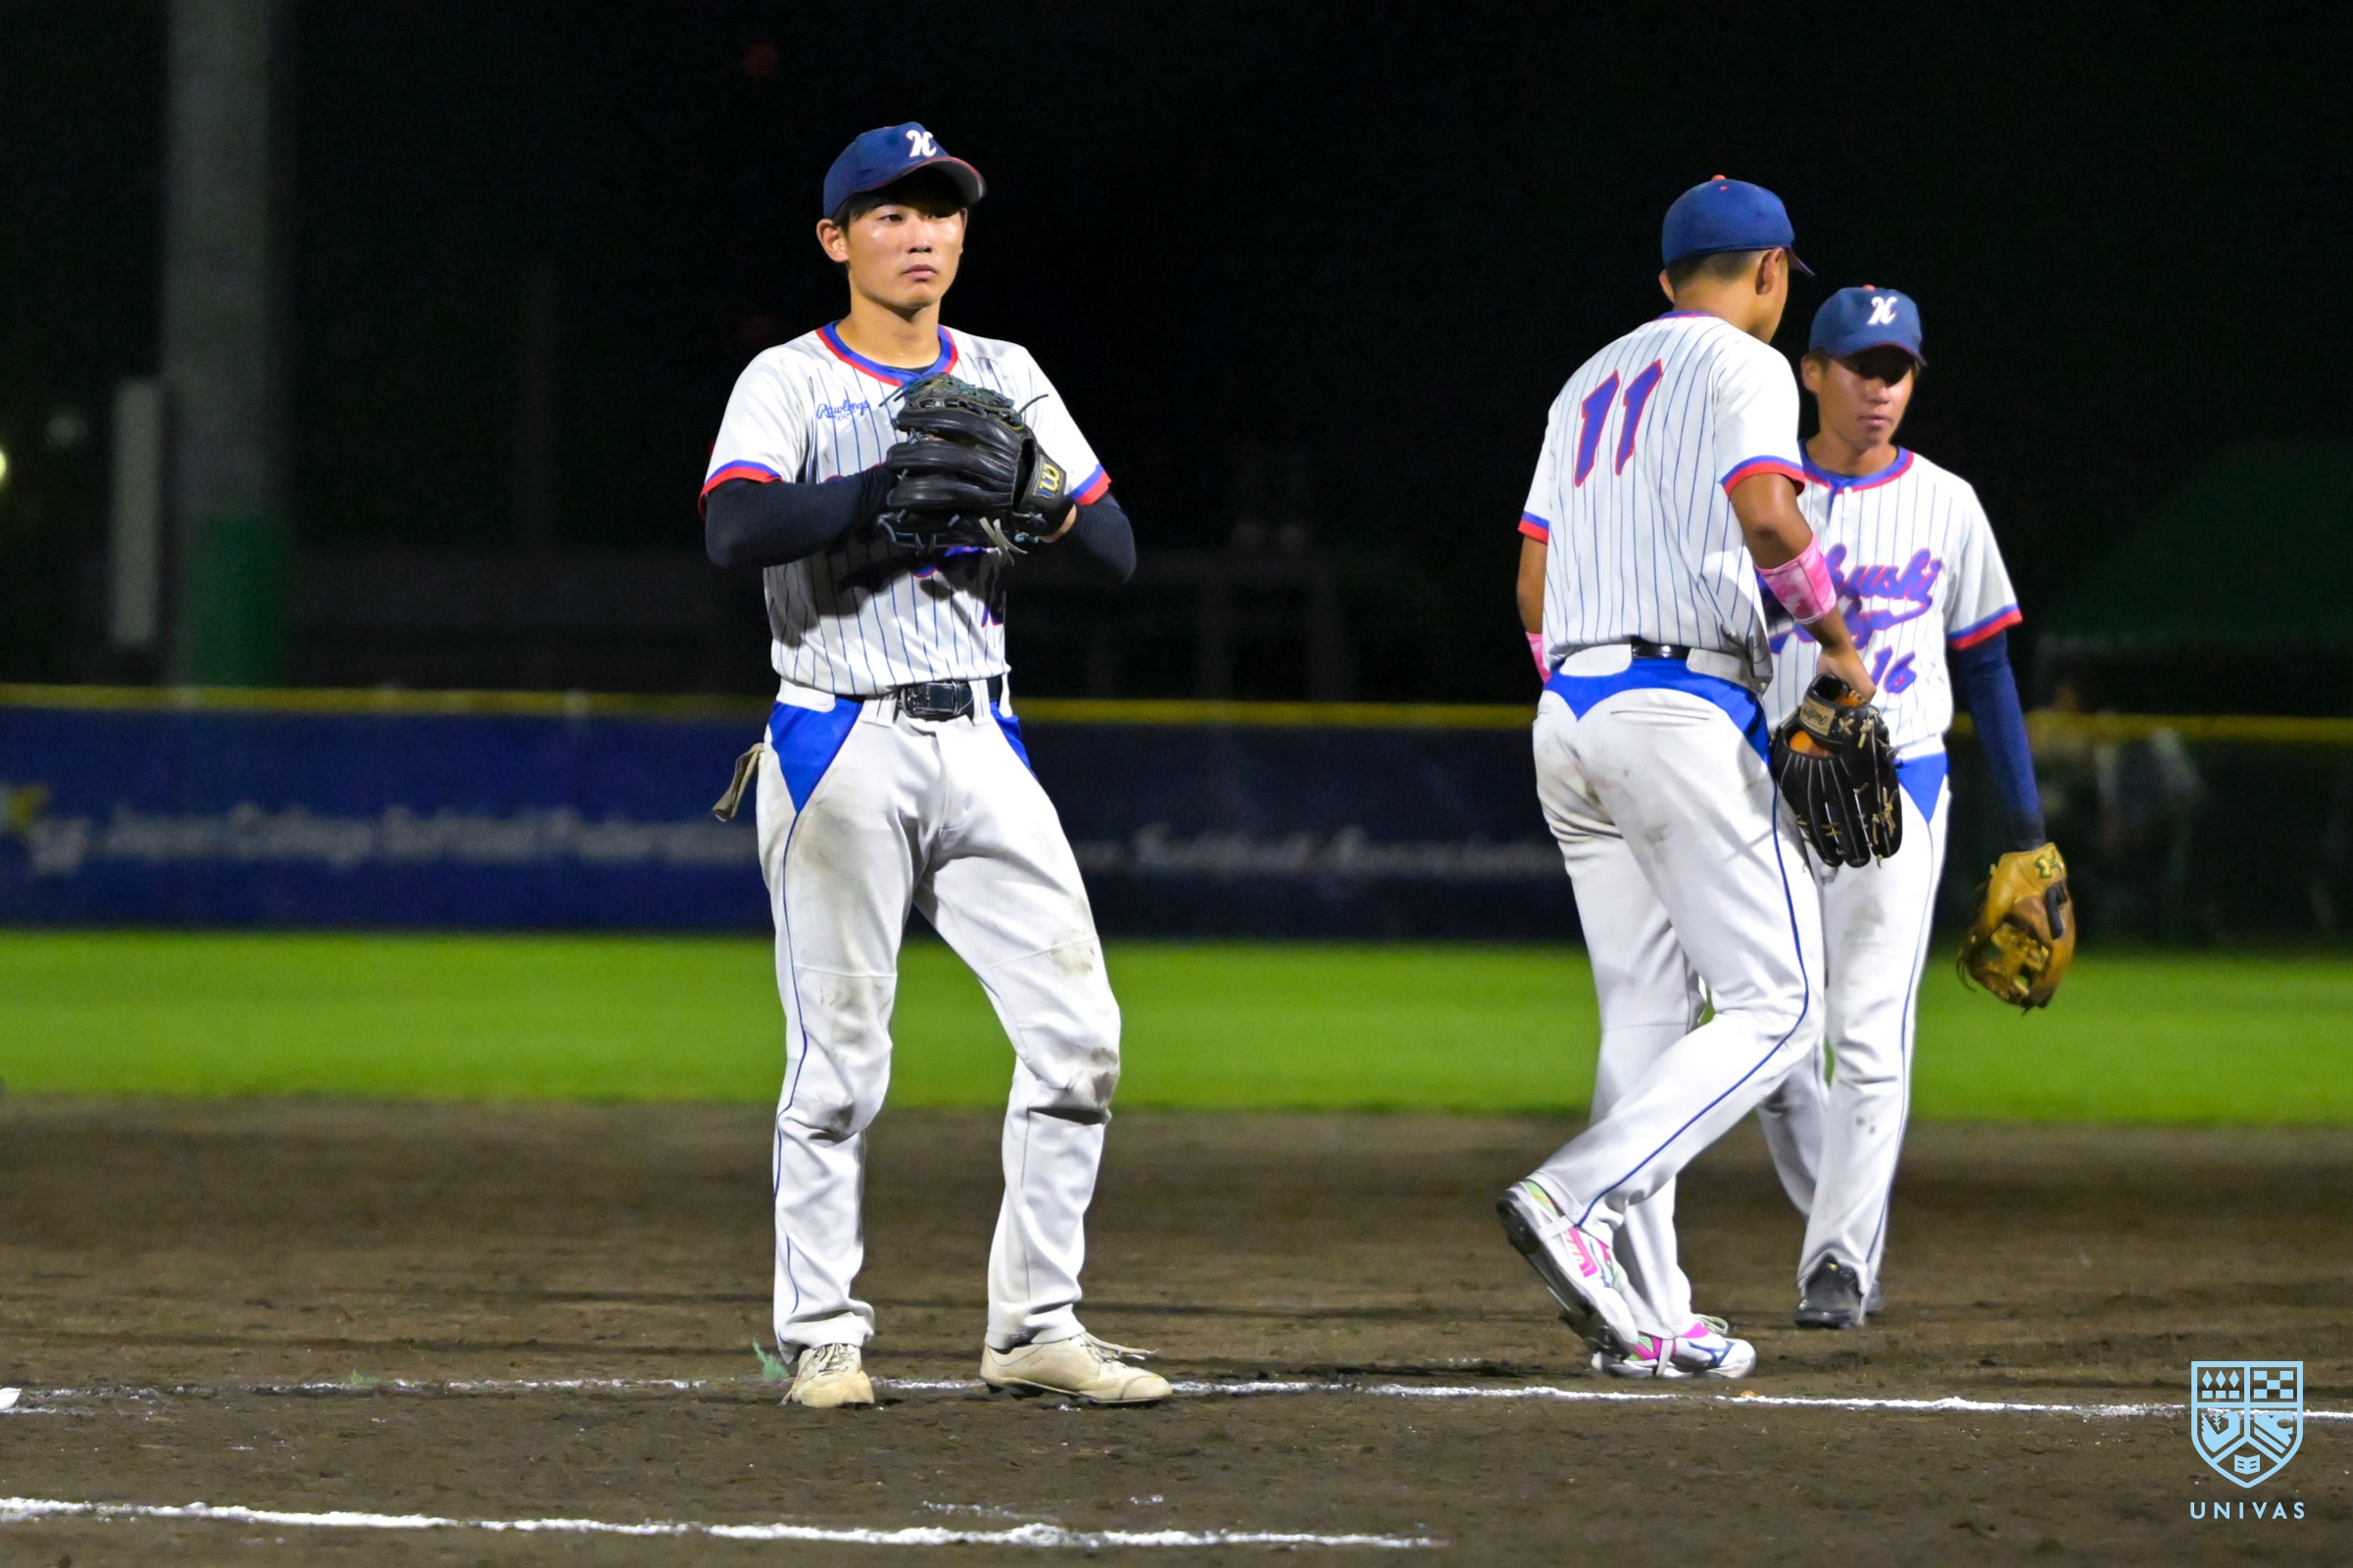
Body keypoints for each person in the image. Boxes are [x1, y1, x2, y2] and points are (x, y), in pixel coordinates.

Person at [699, 122, 1164, 1408]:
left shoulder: (1006, 372)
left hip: (983, 737)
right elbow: (734, 525)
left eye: (941, 211)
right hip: (837, 733)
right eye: (891, 214)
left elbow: (1114, 550)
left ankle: (1035, 1327)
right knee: (841, 1059)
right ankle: (823, 1338)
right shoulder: (790, 377)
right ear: (837, 239)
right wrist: (878, 485)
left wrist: (1043, 500)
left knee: (1080, 1040)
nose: (922, 235)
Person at [1501, 177, 1876, 1379]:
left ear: (1667, 279)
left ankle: (1646, 1319)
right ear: (1769, 272)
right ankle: (1576, 1197)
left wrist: (1586, 696)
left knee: (1646, 1017)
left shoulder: (1580, 383)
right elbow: (1767, 516)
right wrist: (1836, 640)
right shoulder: (1745, 365)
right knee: (1781, 1006)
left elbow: (1530, 586)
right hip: (1676, 705)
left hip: (1569, 709)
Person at [1752, 287, 2050, 1329]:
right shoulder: (1757, 492)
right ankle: (1842, 1227)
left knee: (1869, 1035)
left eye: (1897, 370)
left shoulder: (1947, 501)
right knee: (1771, 1042)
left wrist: (2025, 834)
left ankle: (1836, 1260)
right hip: (1768, 786)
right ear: (1811, 372)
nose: (1879, 389)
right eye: (1859, 367)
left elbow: (1989, 668)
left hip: (1900, 780)